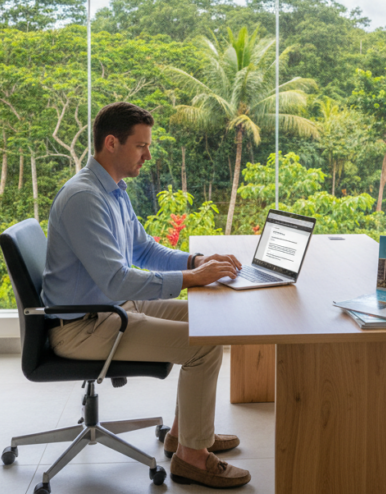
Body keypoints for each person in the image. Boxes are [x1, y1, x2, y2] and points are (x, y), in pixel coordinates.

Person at [42, 101, 251, 489]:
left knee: (210, 325)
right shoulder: (85, 199)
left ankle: (184, 435)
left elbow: (144, 249)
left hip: (109, 309)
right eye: (141, 146)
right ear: (111, 143)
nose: (148, 155)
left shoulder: (113, 191)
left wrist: (197, 260)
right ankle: (192, 457)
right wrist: (192, 278)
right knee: (202, 347)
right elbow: (117, 281)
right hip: (84, 327)